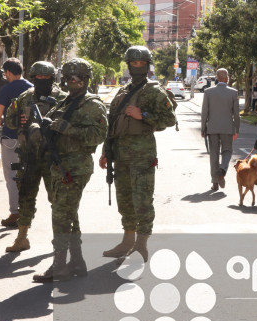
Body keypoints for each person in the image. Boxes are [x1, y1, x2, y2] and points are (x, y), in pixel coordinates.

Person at [32, 58, 108, 282]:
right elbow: (51, 123)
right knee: (69, 214)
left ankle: (59, 266)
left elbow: (99, 135)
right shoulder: (64, 101)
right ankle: (76, 261)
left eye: (79, 78)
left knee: (61, 217)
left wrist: (69, 129)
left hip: (75, 167)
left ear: (87, 79)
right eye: (69, 78)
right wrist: (42, 127)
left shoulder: (92, 105)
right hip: (60, 164)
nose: (74, 81)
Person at [100, 46, 176, 263]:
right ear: (128, 65)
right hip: (120, 155)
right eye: (134, 63)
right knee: (124, 200)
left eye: (142, 63)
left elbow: (169, 119)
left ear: (148, 65)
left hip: (142, 155)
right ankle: (127, 242)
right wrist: (106, 152)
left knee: (142, 200)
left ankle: (141, 246)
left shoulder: (154, 90)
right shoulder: (123, 91)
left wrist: (142, 115)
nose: (138, 67)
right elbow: (112, 124)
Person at [3, 61, 67, 253]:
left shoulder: (63, 98)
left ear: (52, 78)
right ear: (33, 77)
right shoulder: (24, 97)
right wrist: (18, 120)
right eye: (38, 77)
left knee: (58, 200)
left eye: (46, 77)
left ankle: (61, 240)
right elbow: (9, 121)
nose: (42, 80)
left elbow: (71, 124)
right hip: (29, 156)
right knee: (25, 197)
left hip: (53, 157)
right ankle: (22, 237)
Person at [0, 58, 33, 227]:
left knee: (12, 175)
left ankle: (15, 213)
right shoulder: (32, 88)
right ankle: (27, 212)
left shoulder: (7, 89)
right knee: (28, 175)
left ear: (8, 72)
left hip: (11, 138)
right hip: (31, 138)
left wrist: (1, 120)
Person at [201, 68, 239, 192]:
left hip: (212, 128)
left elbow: (204, 112)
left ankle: (215, 182)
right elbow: (236, 114)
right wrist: (237, 129)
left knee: (214, 154)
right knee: (227, 151)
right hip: (227, 128)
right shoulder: (233, 92)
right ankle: (223, 169)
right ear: (227, 78)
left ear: (216, 78)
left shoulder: (208, 92)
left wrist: (203, 128)